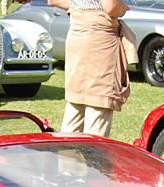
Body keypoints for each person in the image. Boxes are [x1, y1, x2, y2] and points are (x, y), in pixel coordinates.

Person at [48, 0, 132, 137]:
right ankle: (91, 157)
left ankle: (65, 156)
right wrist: (122, 8)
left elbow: (53, 1)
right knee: (98, 103)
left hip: (77, 36)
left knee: (76, 102)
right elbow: (110, 7)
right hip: (99, 42)